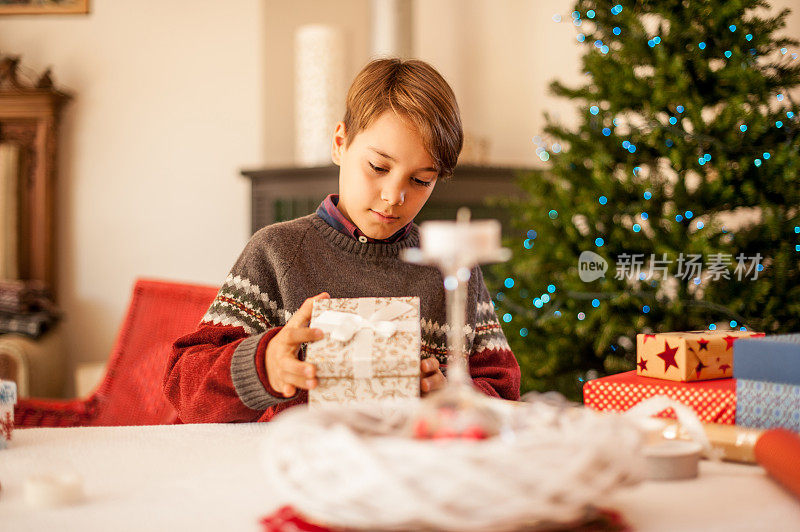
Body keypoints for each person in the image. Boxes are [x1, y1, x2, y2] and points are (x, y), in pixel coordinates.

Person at [164, 58, 520, 423]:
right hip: (295, 469)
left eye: (421, 180)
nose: (393, 195)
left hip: (410, 469)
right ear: (340, 143)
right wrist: (265, 365)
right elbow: (182, 387)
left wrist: (450, 392)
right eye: (379, 168)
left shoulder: (452, 264)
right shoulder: (276, 253)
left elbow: (504, 391)